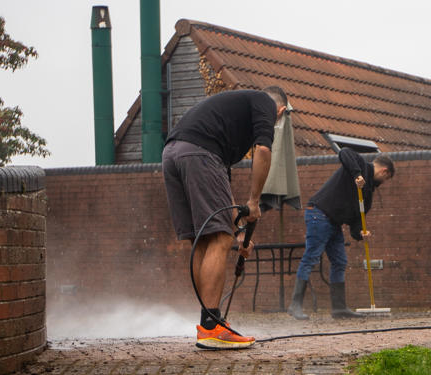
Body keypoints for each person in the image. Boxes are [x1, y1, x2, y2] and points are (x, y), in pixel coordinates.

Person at [162, 87, 288, 349]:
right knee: (219, 239)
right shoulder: (265, 102)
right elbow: (263, 150)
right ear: (281, 112)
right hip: (200, 155)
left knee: (204, 239)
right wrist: (254, 201)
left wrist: (241, 233)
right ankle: (211, 327)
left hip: (172, 153)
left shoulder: (227, 119)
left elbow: (224, 193)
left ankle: (208, 322)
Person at [287, 149, 395, 320]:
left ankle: (338, 308)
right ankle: (295, 305)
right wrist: (357, 175)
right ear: (384, 171)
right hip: (319, 214)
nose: (384, 182)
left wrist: (361, 232)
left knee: (340, 261)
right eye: (386, 179)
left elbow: (356, 221)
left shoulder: (368, 194)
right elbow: (344, 152)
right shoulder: (359, 164)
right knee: (311, 257)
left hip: (334, 223)